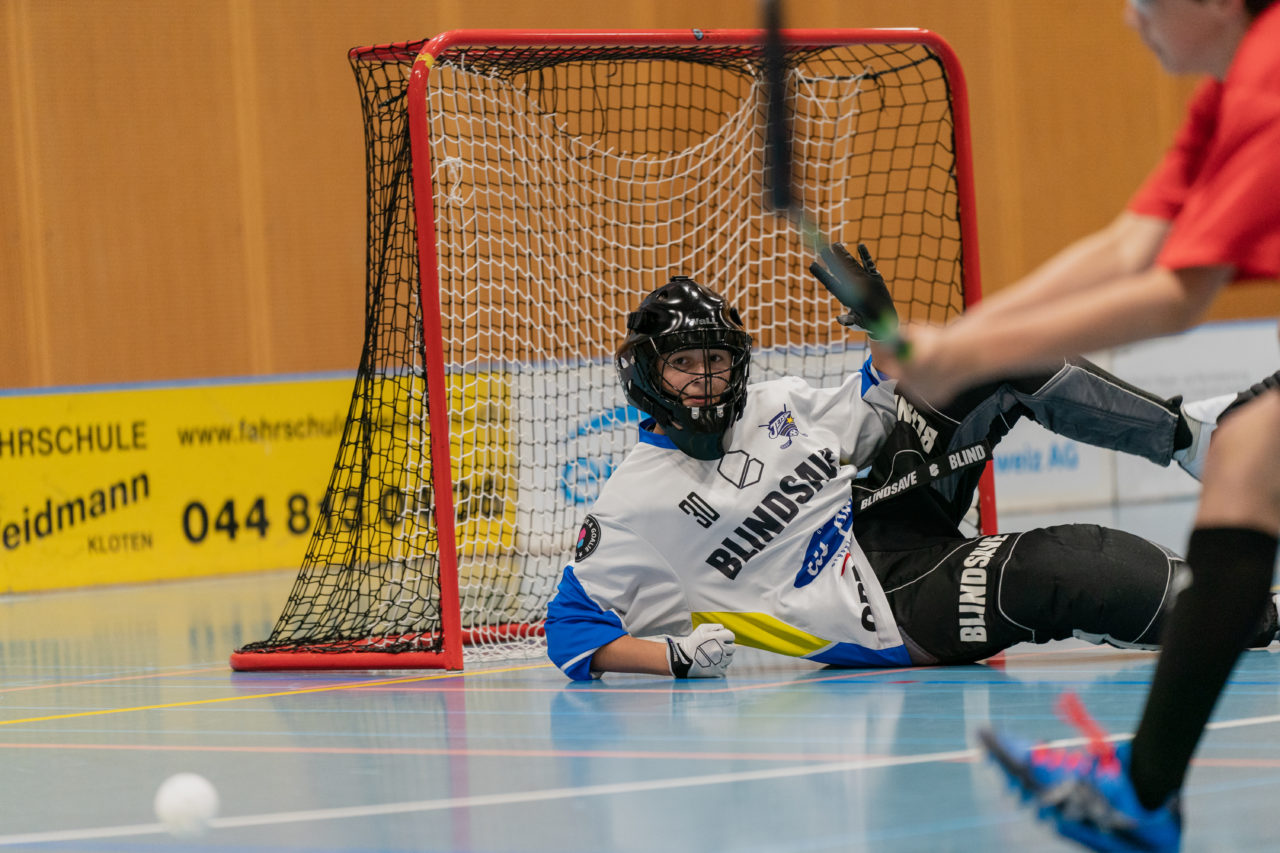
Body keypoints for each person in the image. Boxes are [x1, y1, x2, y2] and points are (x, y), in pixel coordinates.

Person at [889, 1, 1280, 850]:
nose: (1128, 16)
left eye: (1147, 0)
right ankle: (1144, 800)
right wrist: (959, 339)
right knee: (1250, 446)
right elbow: (1128, 246)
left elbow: (1177, 295)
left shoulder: (1273, 74)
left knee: (1253, 446)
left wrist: (967, 352)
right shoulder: (1226, 92)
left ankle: (1143, 798)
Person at [543, 267, 1275, 686]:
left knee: (984, 351)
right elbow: (570, 630)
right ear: (648, 373)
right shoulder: (634, 503)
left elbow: (883, 391)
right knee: (1067, 566)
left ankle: (1191, 438)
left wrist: (886, 327)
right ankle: (1261, 611)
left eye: (717, 362)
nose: (704, 381)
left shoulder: (777, 403)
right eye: (683, 365)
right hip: (885, 609)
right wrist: (667, 657)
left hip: (881, 512)